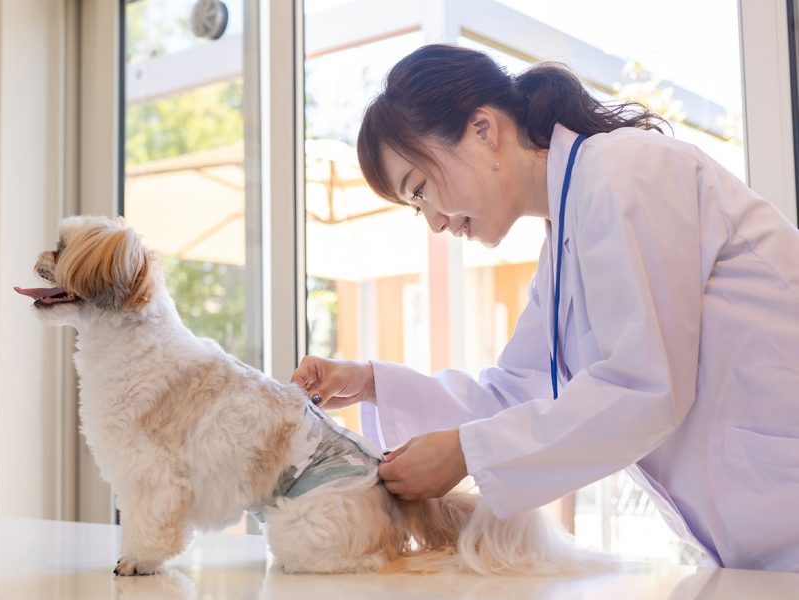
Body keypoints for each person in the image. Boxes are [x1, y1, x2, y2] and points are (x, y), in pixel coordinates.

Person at [291, 44, 799, 573]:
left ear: (483, 130)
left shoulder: (626, 172)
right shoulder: (561, 251)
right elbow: (511, 396)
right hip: (757, 545)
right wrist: (370, 381)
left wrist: (468, 452)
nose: (435, 223)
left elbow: (646, 388)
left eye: (420, 190)